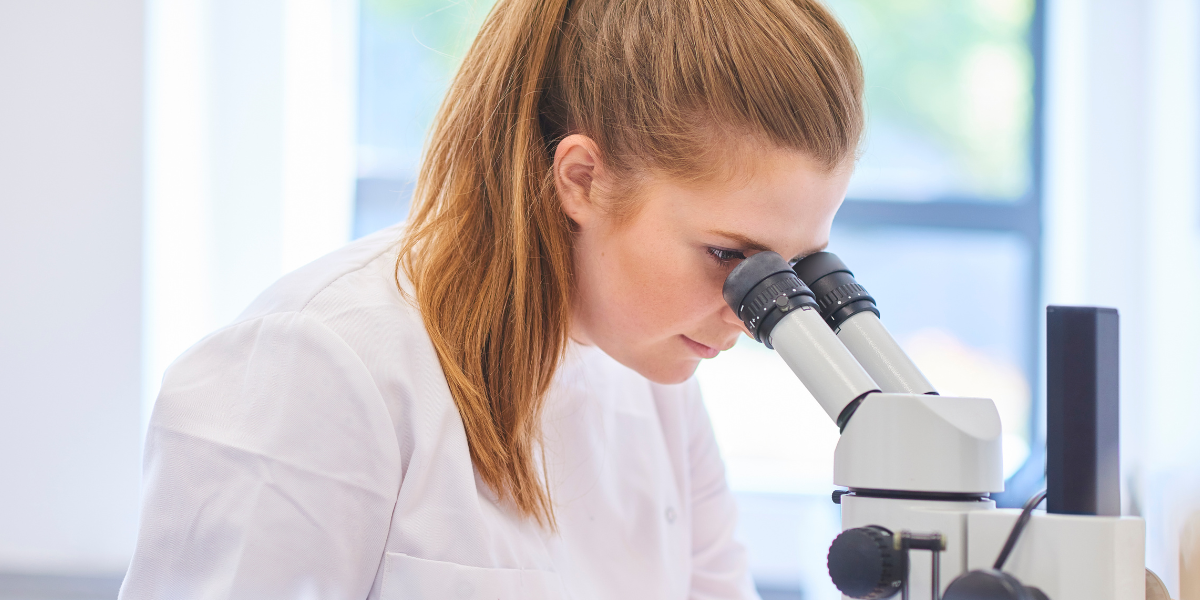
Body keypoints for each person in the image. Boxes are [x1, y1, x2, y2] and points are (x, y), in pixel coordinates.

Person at [119, 0, 863, 597]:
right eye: (728, 256)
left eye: (794, 266)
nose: (750, 313)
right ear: (582, 180)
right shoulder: (321, 364)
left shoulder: (655, 381)